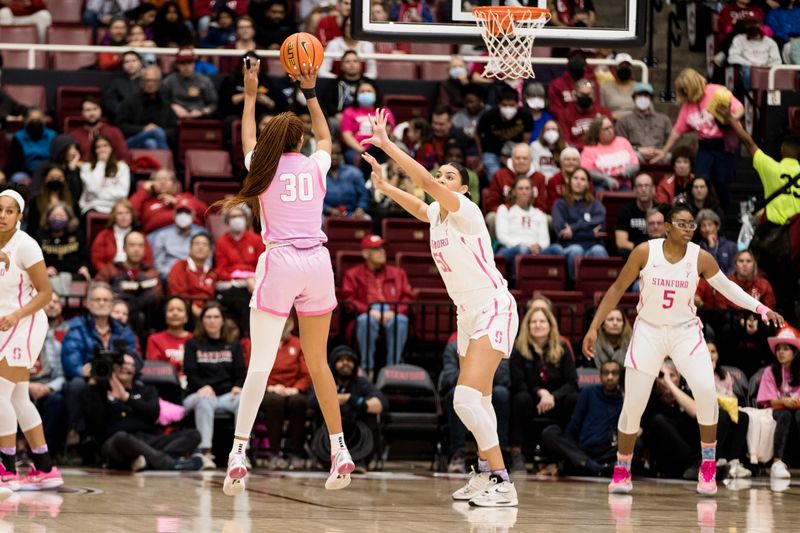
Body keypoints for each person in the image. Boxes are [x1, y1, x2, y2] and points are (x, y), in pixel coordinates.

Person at [361, 107, 521, 507]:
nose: (442, 181)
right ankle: (485, 475)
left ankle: (502, 481)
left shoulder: (466, 212)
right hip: (466, 312)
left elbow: (426, 184)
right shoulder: (437, 216)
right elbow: (418, 205)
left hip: (492, 305)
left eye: (451, 177)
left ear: (463, 189)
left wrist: (387, 146)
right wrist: (383, 186)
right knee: (478, 400)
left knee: (464, 399)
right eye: (443, 176)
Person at [214, 60, 355, 496]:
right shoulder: (315, 168)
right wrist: (311, 92)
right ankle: (340, 448)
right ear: (301, 141)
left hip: (281, 263)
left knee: (261, 361)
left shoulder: (261, 166)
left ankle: (239, 453)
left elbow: (247, 135)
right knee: (319, 363)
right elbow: (328, 136)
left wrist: (251, 92)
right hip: (318, 264)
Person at [582, 204, 784, 495]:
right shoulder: (644, 252)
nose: (690, 229)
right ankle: (622, 469)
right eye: (683, 224)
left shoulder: (699, 257)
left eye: (692, 225)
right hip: (648, 330)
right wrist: (593, 327)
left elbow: (728, 288)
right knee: (634, 403)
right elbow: (616, 289)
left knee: (705, 391)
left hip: (685, 332)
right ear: (666, 226)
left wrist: (761, 308)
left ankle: (709, 466)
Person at [0, 184, 63, 491]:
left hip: (26, 323)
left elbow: (47, 294)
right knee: (17, 397)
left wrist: (16, 316)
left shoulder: (26, 245)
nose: (2, 216)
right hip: (5, 323)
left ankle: (6, 469)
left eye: (9, 211)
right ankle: (45, 468)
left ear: (19, 215)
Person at [82, 352, 203, 472]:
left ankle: (147, 462)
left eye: (129, 364)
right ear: (113, 367)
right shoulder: (100, 392)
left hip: (148, 440)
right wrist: (93, 384)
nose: (124, 367)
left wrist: (126, 397)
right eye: (120, 364)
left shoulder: (147, 390)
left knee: (193, 435)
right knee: (121, 437)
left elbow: (153, 414)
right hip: (116, 443)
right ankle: (168, 463)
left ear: (136, 369)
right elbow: (96, 423)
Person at [654, 68, 744, 209]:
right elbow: (677, 131)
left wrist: (730, 120)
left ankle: (722, 214)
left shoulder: (716, 91)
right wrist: (664, 151)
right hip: (705, 146)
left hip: (724, 144)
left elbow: (739, 108)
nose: (685, 94)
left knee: (722, 181)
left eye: (686, 90)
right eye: (682, 91)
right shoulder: (687, 107)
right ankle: (699, 214)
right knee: (699, 180)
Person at [508, 306, 578, 472]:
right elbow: (518, 382)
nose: (538, 325)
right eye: (534, 322)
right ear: (527, 325)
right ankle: (515, 453)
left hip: (556, 401)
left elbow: (572, 382)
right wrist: (541, 392)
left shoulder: (562, 347)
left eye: (542, 321)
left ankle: (566, 452)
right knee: (520, 398)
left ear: (550, 325)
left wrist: (553, 396)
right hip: (532, 400)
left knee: (574, 398)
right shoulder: (519, 348)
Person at [182, 302, 244, 470]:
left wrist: (237, 387)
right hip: (197, 394)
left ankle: (240, 454)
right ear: (202, 321)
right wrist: (203, 386)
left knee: (243, 401)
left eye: (216, 317)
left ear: (223, 321)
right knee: (204, 400)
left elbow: (240, 374)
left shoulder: (233, 345)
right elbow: (191, 374)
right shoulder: (192, 344)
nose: (212, 321)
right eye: (208, 317)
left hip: (225, 396)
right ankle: (205, 453)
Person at [341, 234, 414, 375]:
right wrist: (368, 311)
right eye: (376, 249)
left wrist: (393, 311)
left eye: (382, 248)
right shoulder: (352, 274)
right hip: (367, 313)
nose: (382, 252)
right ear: (365, 253)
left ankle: (393, 369)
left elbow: (407, 298)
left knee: (401, 321)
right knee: (365, 321)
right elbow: (348, 299)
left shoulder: (398, 273)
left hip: (392, 313)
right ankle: (367, 369)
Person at [439, 332, 511, 473]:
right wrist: (473, 376)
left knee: (499, 395)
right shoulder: (455, 344)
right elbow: (448, 377)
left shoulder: (494, 339)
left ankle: (499, 469)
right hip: (466, 386)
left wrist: (477, 374)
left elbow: (503, 376)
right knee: (457, 396)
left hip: (491, 386)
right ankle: (461, 455)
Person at [308, 345, 386, 471]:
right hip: (328, 432)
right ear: (333, 364)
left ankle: (360, 460)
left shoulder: (361, 382)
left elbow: (380, 404)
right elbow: (312, 401)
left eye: (349, 360)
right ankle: (327, 459)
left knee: (368, 414)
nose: (346, 363)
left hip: (356, 430)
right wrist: (342, 399)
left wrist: (353, 400)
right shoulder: (325, 381)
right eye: (341, 360)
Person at [540, 360, 624, 476]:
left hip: (607, 451)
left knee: (636, 444)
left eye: (614, 373)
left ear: (620, 377)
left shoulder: (624, 399)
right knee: (550, 432)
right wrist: (570, 451)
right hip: (583, 449)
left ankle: (580, 466)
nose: (610, 377)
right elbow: (574, 423)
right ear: (600, 376)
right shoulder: (588, 392)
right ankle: (595, 468)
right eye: (606, 373)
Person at [260, 317, 311, 470]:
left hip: (292, 388)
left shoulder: (297, 343)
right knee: (274, 402)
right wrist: (270, 387)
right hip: (269, 389)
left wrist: (296, 388)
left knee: (299, 402)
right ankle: (274, 453)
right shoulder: (261, 342)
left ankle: (295, 453)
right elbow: (254, 369)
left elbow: (306, 373)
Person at [545, 167, 609, 280]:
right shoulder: (560, 204)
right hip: (568, 245)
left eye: (582, 179)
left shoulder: (595, 205)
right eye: (575, 178)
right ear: (569, 181)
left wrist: (573, 228)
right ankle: (575, 287)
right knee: (576, 250)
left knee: (599, 250)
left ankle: (601, 289)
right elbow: (561, 232)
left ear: (588, 184)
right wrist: (590, 233)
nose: (579, 181)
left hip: (592, 245)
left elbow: (600, 223)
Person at [95, 231, 163, 336]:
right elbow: (97, 290)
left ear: (145, 249)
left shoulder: (151, 273)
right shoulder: (110, 270)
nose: (136, 249)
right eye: (132, 245)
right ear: (124, 248)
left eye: (140, 246)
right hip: (113, 316)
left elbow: (157, 297)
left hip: (145, 321)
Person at [756, 325, 800, 481]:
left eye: (786, 349)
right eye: (779, 349)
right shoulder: (770, 371)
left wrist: (794, 402)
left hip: (797, 408)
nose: (781, 352)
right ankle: (777, 462)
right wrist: (783, 401)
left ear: (795, 352)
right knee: (785, 415)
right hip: (776, 410)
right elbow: (767, 400)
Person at [495, 176, 551, 281]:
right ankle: (515, 280)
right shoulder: (504, 209)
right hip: (511, 248)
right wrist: (526, 245)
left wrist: (538, 246)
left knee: (556, 250)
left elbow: (545, 240)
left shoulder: (539, 213)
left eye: (527, 188)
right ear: (514, 192)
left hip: (535, 250)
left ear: (532, 192)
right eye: (520, 188)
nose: (524, 192)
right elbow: (502, 236)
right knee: (522, 249)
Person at [485, 143, 547, 235]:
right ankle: (495, 247)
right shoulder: (499, 175)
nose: (521, 161)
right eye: (517, 158)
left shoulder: (539, 177)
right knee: (492, 217)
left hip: (531, 214)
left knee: (547, 219)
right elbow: (491, 203)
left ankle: (539, 246)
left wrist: (528, 213)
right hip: (506, 214)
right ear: (511, 159)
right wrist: (511, 212)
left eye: (524, 158)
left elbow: (542, 204)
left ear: (531, 160)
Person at [476, 86, 534, 180]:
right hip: (492, 152)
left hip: (515, 151)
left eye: (511, 105)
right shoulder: (489, 115)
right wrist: (481, 157)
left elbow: (526, 138)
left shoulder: (525, 115)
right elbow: (477, 134)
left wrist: (516, 156)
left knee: (520, 177)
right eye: (504, 105)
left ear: (517, 104)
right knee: (497, 179)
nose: (508, 108)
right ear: (499, 104)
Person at [34, 202, 90, 297]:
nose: (58, 219)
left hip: (74, 275)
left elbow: (85, 255)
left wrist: (84, 267)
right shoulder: (39, 235)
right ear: (48, 217)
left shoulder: (77, 234)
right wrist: (43, 269)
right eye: (54, 215)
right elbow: (34, 259)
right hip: (49, 277)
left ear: (69, 218)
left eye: (62, 216)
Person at [130, 169, 207, 236]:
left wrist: (178, 203)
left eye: (166, 179)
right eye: (158, 179)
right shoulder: (147, 202)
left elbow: (205, 211)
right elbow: (130, 211)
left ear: (174, 185)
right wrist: (143, 190)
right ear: (152, 184)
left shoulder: (185, 197)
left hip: (190, 231)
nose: (162, 182)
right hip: (157, 235)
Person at [117, 66, 178, 150]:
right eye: (147, 80)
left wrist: (158, 131)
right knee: (154, 135)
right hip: (133, 140)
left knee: (151, 143)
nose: (150, 84)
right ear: (141, 82)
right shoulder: (130, 101)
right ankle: (165, 161)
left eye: (154, 81)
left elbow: (173, 129)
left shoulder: (165, 103)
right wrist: (143, 129)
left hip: (156, 141)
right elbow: (121, 126)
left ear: (159, 83)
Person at [614, 83, 673, 164]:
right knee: (631, 156)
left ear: (651, 99)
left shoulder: (664, 119)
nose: (643, 98)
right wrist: (638, 150)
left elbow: (671, 141)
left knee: (670, 156)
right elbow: (620, 145)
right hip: (637, 154)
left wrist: (661, 151)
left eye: (646, 96)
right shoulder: (624, 121)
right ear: (634, 98)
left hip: (659, 153)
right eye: (639, 95)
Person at [90, 199, 153, 274]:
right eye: (120, 213)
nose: (124, 216)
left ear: (132, 215)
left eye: (127, 213)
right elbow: (97, 261)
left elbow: (147, 260)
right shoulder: (103, 236)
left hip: (136, 276)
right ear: (114, 216)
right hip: (110, 275)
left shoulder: (140, 236)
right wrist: (108, 273)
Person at [580, 115, 640, 192]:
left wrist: (625, 171)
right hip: (600, 184)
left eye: (611, 127)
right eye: (606, 129)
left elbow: (635, 164)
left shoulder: (623, 141)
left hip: (623, 183)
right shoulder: (589, 149)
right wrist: (606, 178)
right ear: (597, 133)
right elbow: (587, 171)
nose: (610, 130)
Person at [167, 233, 220, 317]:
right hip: (186, 310)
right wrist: (196, 311)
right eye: (197, 244)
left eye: (204, 244)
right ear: (189, 249)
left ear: (210, 252)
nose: (200, 247)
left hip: (207, 311)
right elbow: (178, 294)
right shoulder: (180, 266)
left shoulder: (212, 272)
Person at [151, 199, 207, 279]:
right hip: (169, 275)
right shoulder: (162, 236)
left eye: (187, 213)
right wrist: (175, 275)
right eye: (180, 213)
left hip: (195, 276)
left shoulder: (201, 235)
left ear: (193, 215)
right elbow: (158, 265)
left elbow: (207, 263)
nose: (183, 216)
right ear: (174, 215)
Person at [78, 135, 131, 215]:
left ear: (111, 148)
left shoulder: (122, 167)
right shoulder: (86, 168)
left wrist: (98, 193)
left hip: (115, 208)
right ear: (94, 150)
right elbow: (93, 188)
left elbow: (122, 193)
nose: (102, 150)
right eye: (98, 147)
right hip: (91, 207)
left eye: (105, 146)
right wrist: (101, 163)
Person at [162, 48, 219, 120]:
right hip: (175, 117)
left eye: (189, 62)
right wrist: (172, 107)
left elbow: (214, 104)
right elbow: (162, 102)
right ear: (177, 65)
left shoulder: (204, 81)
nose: (186, 66)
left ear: (194, 63)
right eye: (182, 63)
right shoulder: (169, 81)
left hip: (200, 117)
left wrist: (202, 111)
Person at [68, 97, 129, 162]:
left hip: (111, 170)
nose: (92, 113)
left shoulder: (114, 132)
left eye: (95, 109)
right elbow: (70, 160)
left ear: (101, 110)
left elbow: (124, 157)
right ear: (81, 113)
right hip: (84, 170)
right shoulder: (74, 135)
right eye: (88, 110)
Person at [145, 296, 192, 377]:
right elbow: (154, 368)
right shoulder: (154, 339)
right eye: (171, 310)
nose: (175, 313)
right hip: (165, 384)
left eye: (180, 310)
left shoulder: (195, 339)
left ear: (186, 318)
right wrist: (179, 364)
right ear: (165, 317)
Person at [727, 18, 782, 88]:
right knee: (747, 72)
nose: (753, 27)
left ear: (761, 27)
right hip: (747, 68)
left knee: (776, 73)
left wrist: (766, 67)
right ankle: (749, 96)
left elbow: (777, 61)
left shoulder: (770, 42)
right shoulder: (739, 39)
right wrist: (750, 64)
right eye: (750, 25)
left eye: (755, 25)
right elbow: (732, 58)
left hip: (765, 69)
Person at [320, 16, 378, 80]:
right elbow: (322, 72)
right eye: (348, 25)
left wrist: (357, 80)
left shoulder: (368, 45)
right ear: (343, 27)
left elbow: (372, 73)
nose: (351, 28)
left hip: (361, 84)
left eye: (354, 25)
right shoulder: (333, 44)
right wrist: (343, 80)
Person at [7, 108, 56, 183]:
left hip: (48, 171)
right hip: (25, 172)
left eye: (38, 120)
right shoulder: (18, 137)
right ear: (26, 121)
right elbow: (16, 163)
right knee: (18, 177)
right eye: (32, 120)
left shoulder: (52, 135)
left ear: (44, 121)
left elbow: (55, 158)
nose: (36, 122)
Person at [323, 142, 370, 218]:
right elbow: (315, 200)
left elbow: (363, 196)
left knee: (367, 218)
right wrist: (329, 210)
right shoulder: (320, 174)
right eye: (331, 153)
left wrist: (360, 209)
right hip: (326, 214)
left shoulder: (354, 173)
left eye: (337, 154)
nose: (334, 157)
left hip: (352, 213)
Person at [615, 173, 657, 258]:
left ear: (653, 189)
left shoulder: (661, 211)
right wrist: (644, 251)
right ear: (634, 190)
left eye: (647, 185)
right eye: (640, 186)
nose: (643, 189)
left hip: (658, 253)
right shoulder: (625, 211)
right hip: (634, 254)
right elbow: (621, 243)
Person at [103, 51, 145, 121]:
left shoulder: (148, 81)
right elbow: (110, 101)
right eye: (126, 62)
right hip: (123, 119)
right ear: (122, 65)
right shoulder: (116, 82)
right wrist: (123, 111)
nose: (130, 64)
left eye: (134, 61)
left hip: (145, 119)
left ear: (141, 62)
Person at [697, 209, 737, 275]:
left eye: (710, 225)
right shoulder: (697, 248)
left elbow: (733, 269)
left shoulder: (731, 246)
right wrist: (711, 248)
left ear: (717, 227)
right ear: (700, 230)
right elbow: (706, 270)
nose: (707, 229)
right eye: (703, 226)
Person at [600, 53, 636, 120]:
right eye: (621, 66)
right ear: (615, 68)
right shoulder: (605, 87)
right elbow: (600, 110)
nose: (624, 68)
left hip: (635, 124)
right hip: (612, 123)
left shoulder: (638, 87)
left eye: (627, 66)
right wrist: (611, 116)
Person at [545, 147, 580, 213]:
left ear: (579, 163)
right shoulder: (553, 181)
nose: (571, 162)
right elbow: (551, 205)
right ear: (561, 162)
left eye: (574, 160)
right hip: (560, 215)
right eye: (567, 159)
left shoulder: (585, 179)